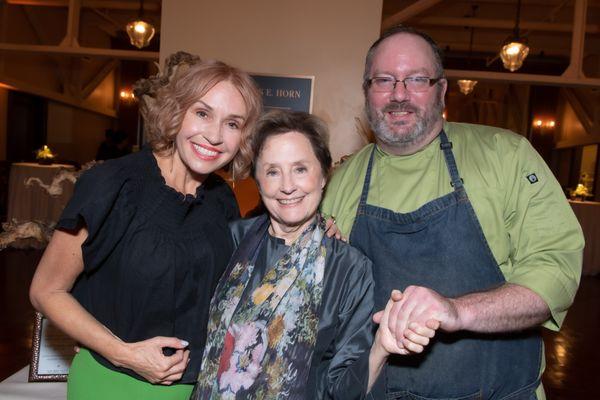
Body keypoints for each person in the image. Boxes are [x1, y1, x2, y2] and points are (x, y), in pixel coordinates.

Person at [321, 26, 584, 400]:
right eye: (384, 80)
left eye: (416, 79)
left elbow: (555, 272)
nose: (399, 94)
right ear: (366, 92)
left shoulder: (505, 156)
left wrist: (457, 311)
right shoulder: (344, 180)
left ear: (442, 89)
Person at [29, 53, 262, 399]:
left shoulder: (223, 201)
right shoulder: (112, 185)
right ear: (177, 112)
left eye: (232, 123)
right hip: (113, 383)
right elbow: (46, 291)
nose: (214, 135)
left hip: (197, 388)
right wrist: (124, 353)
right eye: (202, 113)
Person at [192, 110, 427, 399]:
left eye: (300, 169)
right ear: (258, 180)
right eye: (273, 171)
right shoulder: (230, 240)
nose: (287, 186)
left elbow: (342, 389)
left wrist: (379, 349)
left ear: (324, 174)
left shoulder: (349, 269)